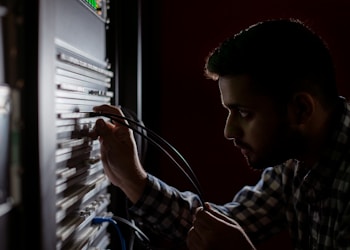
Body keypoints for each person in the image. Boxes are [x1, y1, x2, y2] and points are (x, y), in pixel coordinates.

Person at [90, 18, 350, 249]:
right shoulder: (294, 163)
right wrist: (132, 179)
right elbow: (218, 229)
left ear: (301, 109)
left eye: (245, 113)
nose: (229, 131)